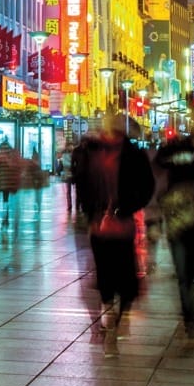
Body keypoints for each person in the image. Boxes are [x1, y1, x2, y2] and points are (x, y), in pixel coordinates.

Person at [72, 116, 155, 354]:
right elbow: (82, 182)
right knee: (105, 274)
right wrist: (89, 211)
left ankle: (119, 317)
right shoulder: (93, 153)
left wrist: (127, 207)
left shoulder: (134, 155)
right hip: (99, 226)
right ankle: (110, 320)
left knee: (126, 276)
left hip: (123, 225)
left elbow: (146, 187)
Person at [154, 129, 194, 340]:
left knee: (186, 276)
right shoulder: (177, 149)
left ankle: (190, 319)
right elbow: (156, 171)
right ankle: (190, 320)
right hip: (179, 224)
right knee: (185, 277)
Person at [0, 138, 21, 228]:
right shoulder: (10, 158)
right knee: (5, 200)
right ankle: (5, 217)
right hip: (7, 183)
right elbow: (15, 168)